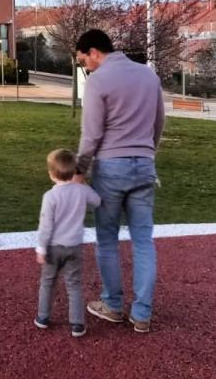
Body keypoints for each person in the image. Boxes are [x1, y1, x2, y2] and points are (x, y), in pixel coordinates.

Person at [74, 29, 164, 333]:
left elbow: (91, 135)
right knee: (143, 241)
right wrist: (148, 151)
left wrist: (79, 169)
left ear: (93, 51)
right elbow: (158, 122)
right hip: (144, 165)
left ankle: (112, 305)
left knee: (108, 239)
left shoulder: (97, 81)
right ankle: (142, 314)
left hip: (110, 168)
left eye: (82, 60)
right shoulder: (149, 76)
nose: (84, 67)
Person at [35, 149, 101, 338]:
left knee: (47, 282)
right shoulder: (82, 190)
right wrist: (85, 184)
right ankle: (77, 324)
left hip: (53, 247)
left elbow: (45, 225)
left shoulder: (50, 196)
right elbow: (97, 201)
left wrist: (41, 247)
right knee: (74, 284)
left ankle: (43, 317)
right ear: (74, 172)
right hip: (74, 247)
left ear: (51, 174)